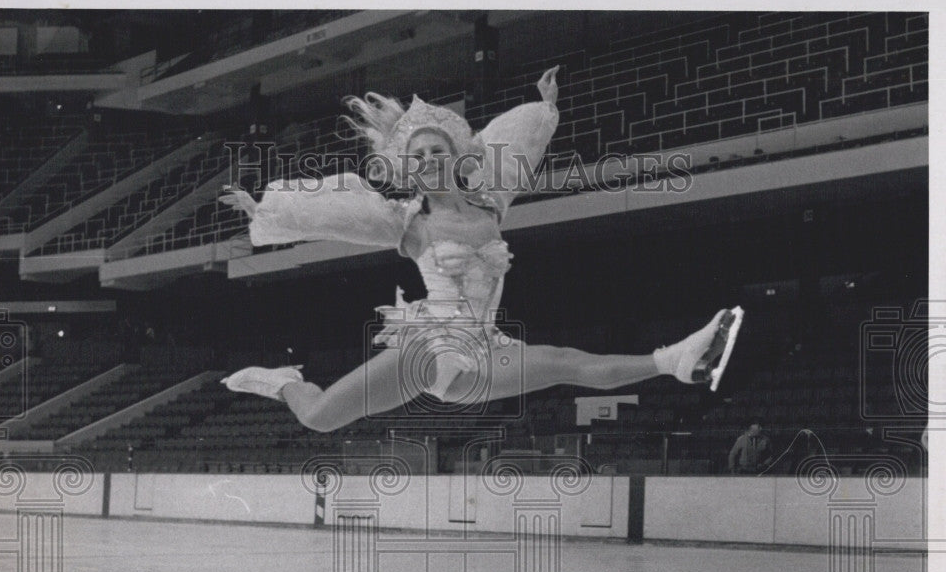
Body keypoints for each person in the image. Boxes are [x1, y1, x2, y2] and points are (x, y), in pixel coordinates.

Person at [219, 67, 743, 433]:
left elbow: (520, 148)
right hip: (429, 350)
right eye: (417, 154)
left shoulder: (491, 206)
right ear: (407, 165)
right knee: (319, 418)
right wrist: (264, 210)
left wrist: (546, 109)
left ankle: (674, 360)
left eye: (436, 150)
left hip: (484, 350)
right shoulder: (408, 222)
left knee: (565, 361)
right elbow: (331, 215)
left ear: (456, 155)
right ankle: (285, 382)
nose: (427, 158)